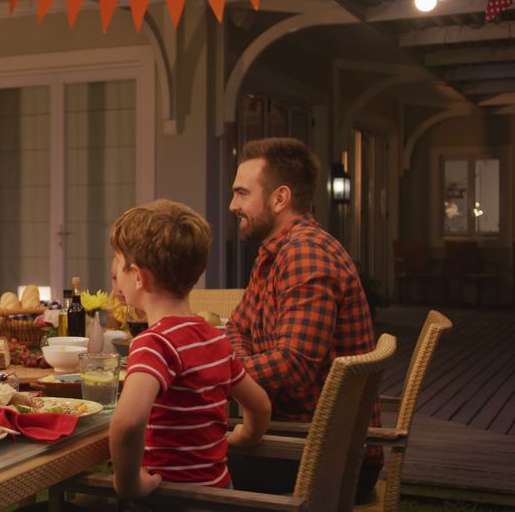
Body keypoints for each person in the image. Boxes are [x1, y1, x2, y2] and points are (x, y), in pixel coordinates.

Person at [224, 137, 381, 503]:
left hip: (327, 457)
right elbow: (237, 326)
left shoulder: (306, 254)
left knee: (178, 458)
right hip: (295, 435)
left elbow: (292, 367)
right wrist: (237, 368)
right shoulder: (275, 252)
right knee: (177, 449)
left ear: (280, 199)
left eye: (242, 193)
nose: (233, 205)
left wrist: (215, 374)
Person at [109, 200, 271, 501]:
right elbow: (260, 406)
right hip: (220, 495)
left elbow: (127, 423)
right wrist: (247, 435)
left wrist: (129, 483)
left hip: (172, 499)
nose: (115, 273)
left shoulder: (153, 343)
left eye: (118, 264)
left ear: (139, 277)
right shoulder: (215, 338)